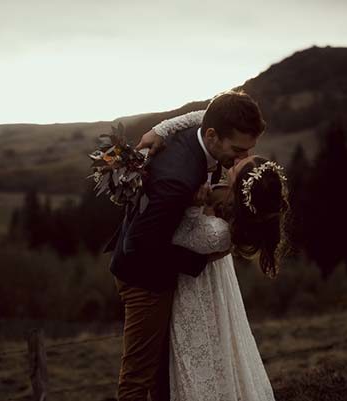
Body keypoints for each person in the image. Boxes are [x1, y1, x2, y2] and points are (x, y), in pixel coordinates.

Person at [105, 90, 266, 401]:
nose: (242, 159)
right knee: (140, 374)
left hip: (158, 268)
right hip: (144, 280)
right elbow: (138, 247)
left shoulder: (205, 138)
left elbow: (204, 113)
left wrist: (162, 127)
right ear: (213, 136)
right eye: (237, 150)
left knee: (165, 371)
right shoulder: (176, 180)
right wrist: (199, 262)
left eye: (248, 151)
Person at [143, 111, 290, 400]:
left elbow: (176, 237)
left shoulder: (218, 234)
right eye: (241, 153)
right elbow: (211, 112)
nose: (238, 159)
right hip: (213, 285)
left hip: (194, 294)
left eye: (241, 162)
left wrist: (195, 207)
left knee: (197, 358)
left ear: (241, 185)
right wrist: (162, 128)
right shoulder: (231, 202)